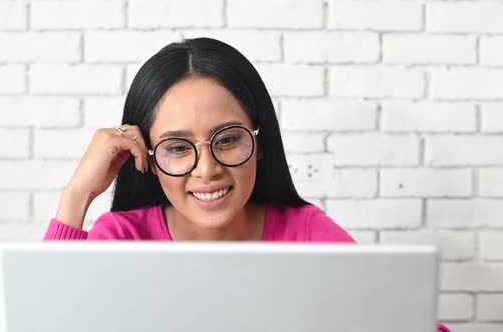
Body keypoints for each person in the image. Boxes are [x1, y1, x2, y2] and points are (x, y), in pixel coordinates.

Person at [43, 37, 450, 332]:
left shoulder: (308, 235)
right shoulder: (121, 240)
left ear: (258, 143)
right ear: (146, 156)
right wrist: (76, 196)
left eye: (228, 140)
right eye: (177, 147)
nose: (206, 171)